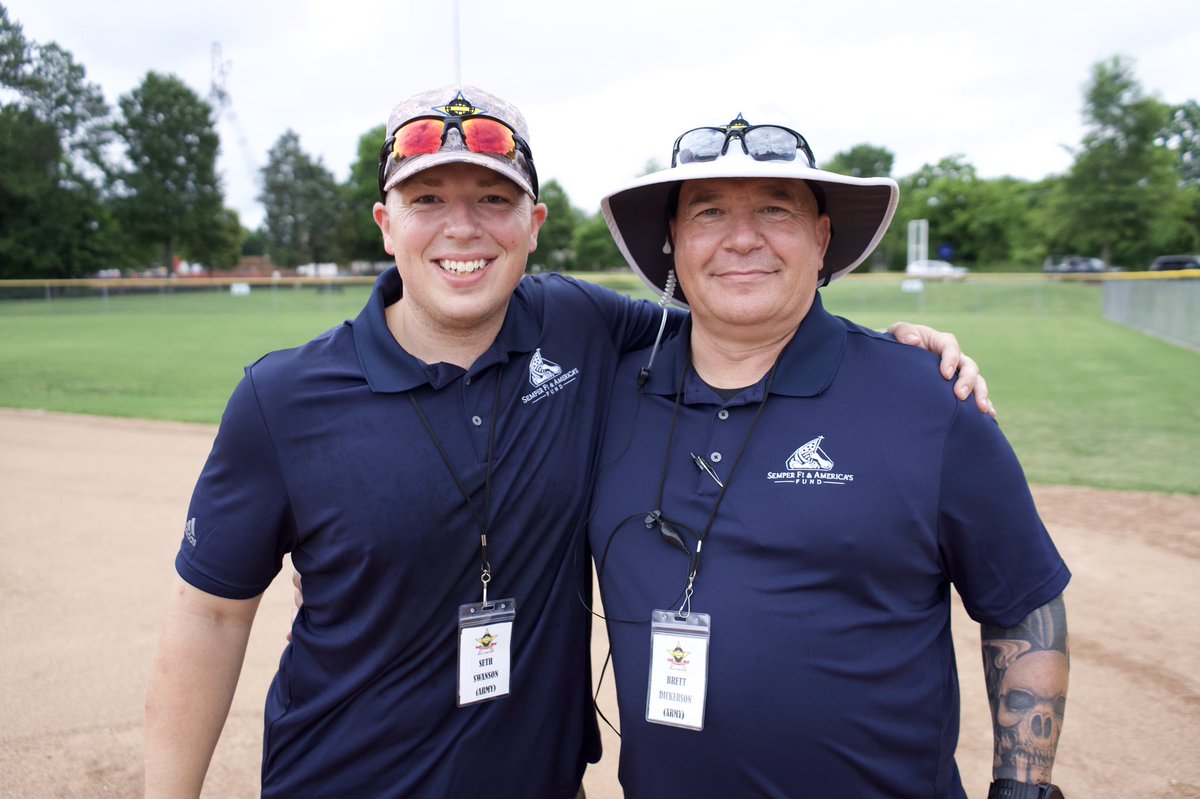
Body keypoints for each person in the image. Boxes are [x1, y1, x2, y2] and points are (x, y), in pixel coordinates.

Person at [143, 86, 991, 799]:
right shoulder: (283, 398)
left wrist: (893, 354)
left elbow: (739, 316)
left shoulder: (581, 324)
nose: (463, 228)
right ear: (385, 223)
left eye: (494, 199)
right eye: (427, 199)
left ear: (535, 221)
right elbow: (210, 614)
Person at [589, 115, 1070, 799]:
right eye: (709, 212)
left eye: (775, 210)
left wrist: (1025, 788)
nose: (742, 238)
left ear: (822, 238)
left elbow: (1022, 601)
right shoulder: (607, 396)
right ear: (674, 239)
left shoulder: (925, 398)